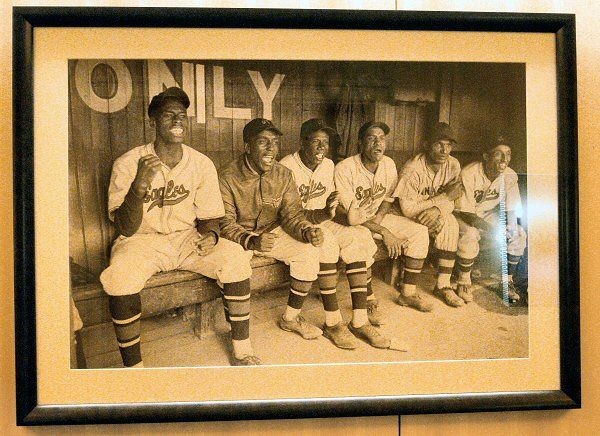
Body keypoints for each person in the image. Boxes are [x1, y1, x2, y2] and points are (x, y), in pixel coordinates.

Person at [100, 87, 258, 367]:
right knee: (119, 278)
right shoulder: (127, 163)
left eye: (181, 115)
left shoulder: (201, 163)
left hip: (187, 240)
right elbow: (125, 227)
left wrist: (211, 234)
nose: (177, 120)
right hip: (141, 240)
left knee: (235, 258)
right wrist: (138, 186)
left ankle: (242, 350)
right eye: (168, 115)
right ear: (153, 122)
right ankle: (133, 369)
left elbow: (211, 216)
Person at [279, 119, 389, 349]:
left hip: (322, 221)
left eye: (325, 142)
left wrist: (348, 217)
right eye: (315, 141)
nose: (321, 147)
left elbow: (331, 208)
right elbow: (285, 213)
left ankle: (359, 321)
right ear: (302, 142)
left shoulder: (328, 165)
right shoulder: (287, 165)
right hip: (294, 224)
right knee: (327, 244)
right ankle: (333, 322)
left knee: (358, 236)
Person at [218, 118, 326, 341]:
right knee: (232, 265)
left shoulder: (283, 174)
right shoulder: (227, 175)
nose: (271, 149)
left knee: (308, 252)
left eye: (275, 142)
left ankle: (290, 318)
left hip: (270, 233)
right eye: (263, 142)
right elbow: (225, 223)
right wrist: (250, 240)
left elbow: (292, 215)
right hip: (238, 238)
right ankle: (237, 331)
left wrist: (307, 230)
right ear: (247, 147)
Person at [334, 121, 431, 313]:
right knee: (362, 239)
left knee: (419, 232)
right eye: (372, 138)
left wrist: (379, 219)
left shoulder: (388, 164)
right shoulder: (345, 168)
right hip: (351, 221)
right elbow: (350, 215)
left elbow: (388, 198)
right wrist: (383, 231)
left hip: (376, 217)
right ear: (360, 143)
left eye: (382, 139)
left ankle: (408, 293)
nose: (378, 143)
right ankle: (368, 298)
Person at [394, 122, 465, 307]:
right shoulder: (413, 168)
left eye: (449, 145)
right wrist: (440, 202)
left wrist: (437, 209)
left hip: (432, 213)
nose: (444, 150)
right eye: (439, 144)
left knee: (450, 222)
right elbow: (407, 209)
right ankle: (408, 287)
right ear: (426, 145)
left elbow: (454, 200)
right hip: (405, 214)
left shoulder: (453, 165)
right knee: (424, 227)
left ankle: (443, 285)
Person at [454, 135, 527, 304]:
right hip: (461, 215)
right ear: (486, 156)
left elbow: (512, 207)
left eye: (508, 154)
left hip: (485, 214)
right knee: (471, 234)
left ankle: (506, 281)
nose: (504, 159)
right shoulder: (469, 172)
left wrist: (510, 227)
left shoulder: (510, 175)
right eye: (498, 154)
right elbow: (466, 212)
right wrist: (492, 229)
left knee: (518, 234)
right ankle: (463, 282)